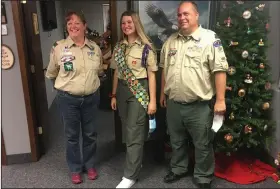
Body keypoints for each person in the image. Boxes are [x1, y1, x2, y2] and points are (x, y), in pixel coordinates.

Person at [159, 1, 228, 188]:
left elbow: (220, 70)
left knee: (202, 144)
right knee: (176, 141)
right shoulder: (170, 41)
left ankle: (203, 176)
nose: (182, 17)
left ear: (197, 15)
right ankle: (179, 168)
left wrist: (220, 100)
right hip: (174, 104)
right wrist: (162, 94)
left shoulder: (209, 39)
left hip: (199, 106)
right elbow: (165, 70)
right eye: (180, 14)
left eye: (186, 14)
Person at [45, 11, 103, 184]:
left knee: (90, 134)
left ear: (85, 26)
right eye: (69, 23)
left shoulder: (95, 48)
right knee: (71, 135)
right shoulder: (59, 47)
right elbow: (52, 73)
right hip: (68, 99)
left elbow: (99, 71)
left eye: (77, 23)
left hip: (91, 97)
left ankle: (89, 164)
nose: (73, 26)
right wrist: (66, 89)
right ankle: (75, 168)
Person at [110, 10, 158, 188]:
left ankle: (130, 175)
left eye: (129, 22)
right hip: (122, 92)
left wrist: (152, 101)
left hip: (139, 91)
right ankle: (136, 162)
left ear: (136, 24)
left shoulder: (147, 47)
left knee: (134, 132)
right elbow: (116, 72)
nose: (126, 26)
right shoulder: (119, 47)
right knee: (127, 129)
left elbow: (152, 76)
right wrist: (113, 94)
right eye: (123, 23)